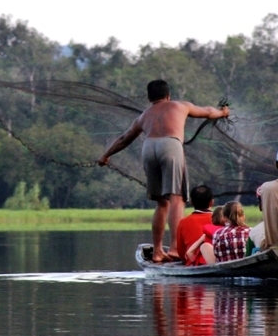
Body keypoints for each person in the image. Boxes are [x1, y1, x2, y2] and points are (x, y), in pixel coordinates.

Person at [97, 79, 230, 263]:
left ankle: (158, 251)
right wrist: (223, 112)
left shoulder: (143, 116)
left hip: (148, 147)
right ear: (168, 95)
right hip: (170, 145)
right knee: (177, 199)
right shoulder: (180, 105)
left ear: (150, 98)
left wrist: (105, 155)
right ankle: (175, 249)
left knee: (162, 203)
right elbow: (208, 112)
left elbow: (124, 138)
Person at [175, 185, 215, 263]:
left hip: (193, 263)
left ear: (191, 202)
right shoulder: (221, 219)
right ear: (211, 202)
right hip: (217, 261)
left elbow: (181, 253)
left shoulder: (183, 222)